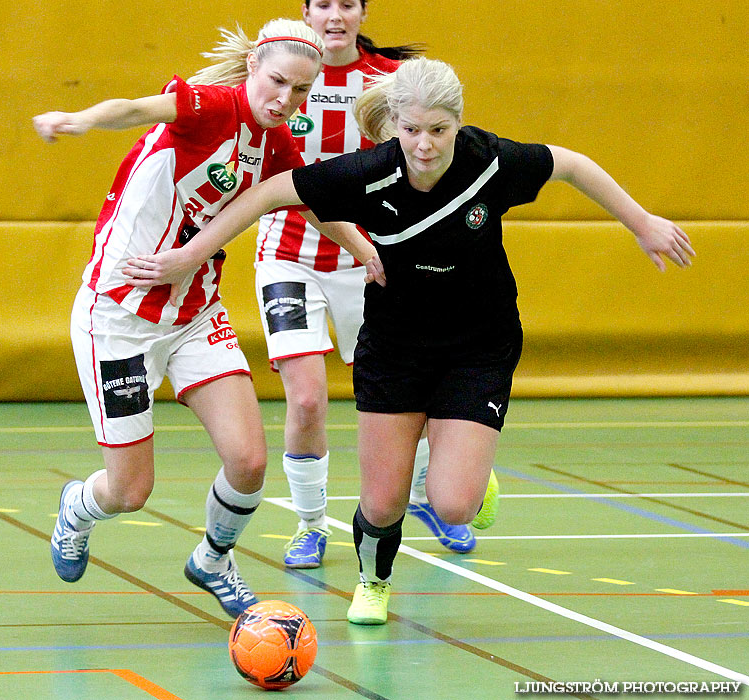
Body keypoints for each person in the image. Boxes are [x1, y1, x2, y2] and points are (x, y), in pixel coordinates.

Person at [121, 57, 695, 624]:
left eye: (440, 130)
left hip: (479, 346)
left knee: (453, 504)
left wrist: (641, 222)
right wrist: (190, 255)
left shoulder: (491, 162)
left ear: (459, 124)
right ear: (395, 124)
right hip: (395, 350)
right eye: (413, 130)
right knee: (382, 503)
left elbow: (571, 165)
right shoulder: (365, 174)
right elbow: (269, 193)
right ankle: (373, 582)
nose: (425, 145)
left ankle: (463, 460)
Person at [32, 19, 378, 619]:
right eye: (277, 83)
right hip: (117, 317)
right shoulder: (210, 107)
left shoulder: (276, 144)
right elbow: (138, 108)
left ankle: (213, 561)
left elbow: (314, 202)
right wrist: (82, 119)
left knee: (248, 462)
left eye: (301, 91)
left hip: (195, 313)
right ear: (252, 69)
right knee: (129, 491)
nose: (286, 101)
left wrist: (366, 250)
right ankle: (78, 508)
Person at [255, 0, 477, 569]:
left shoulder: (389, 83)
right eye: (322, 3)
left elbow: (432, 160)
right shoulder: (278, 75)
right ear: (304, 11)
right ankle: (311, 525)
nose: (334, 15)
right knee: (305, 398)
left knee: (407, 393)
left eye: (346, 4)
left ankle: (430, 492)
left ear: (362, 11)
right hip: (288, 257)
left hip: (371, 261)